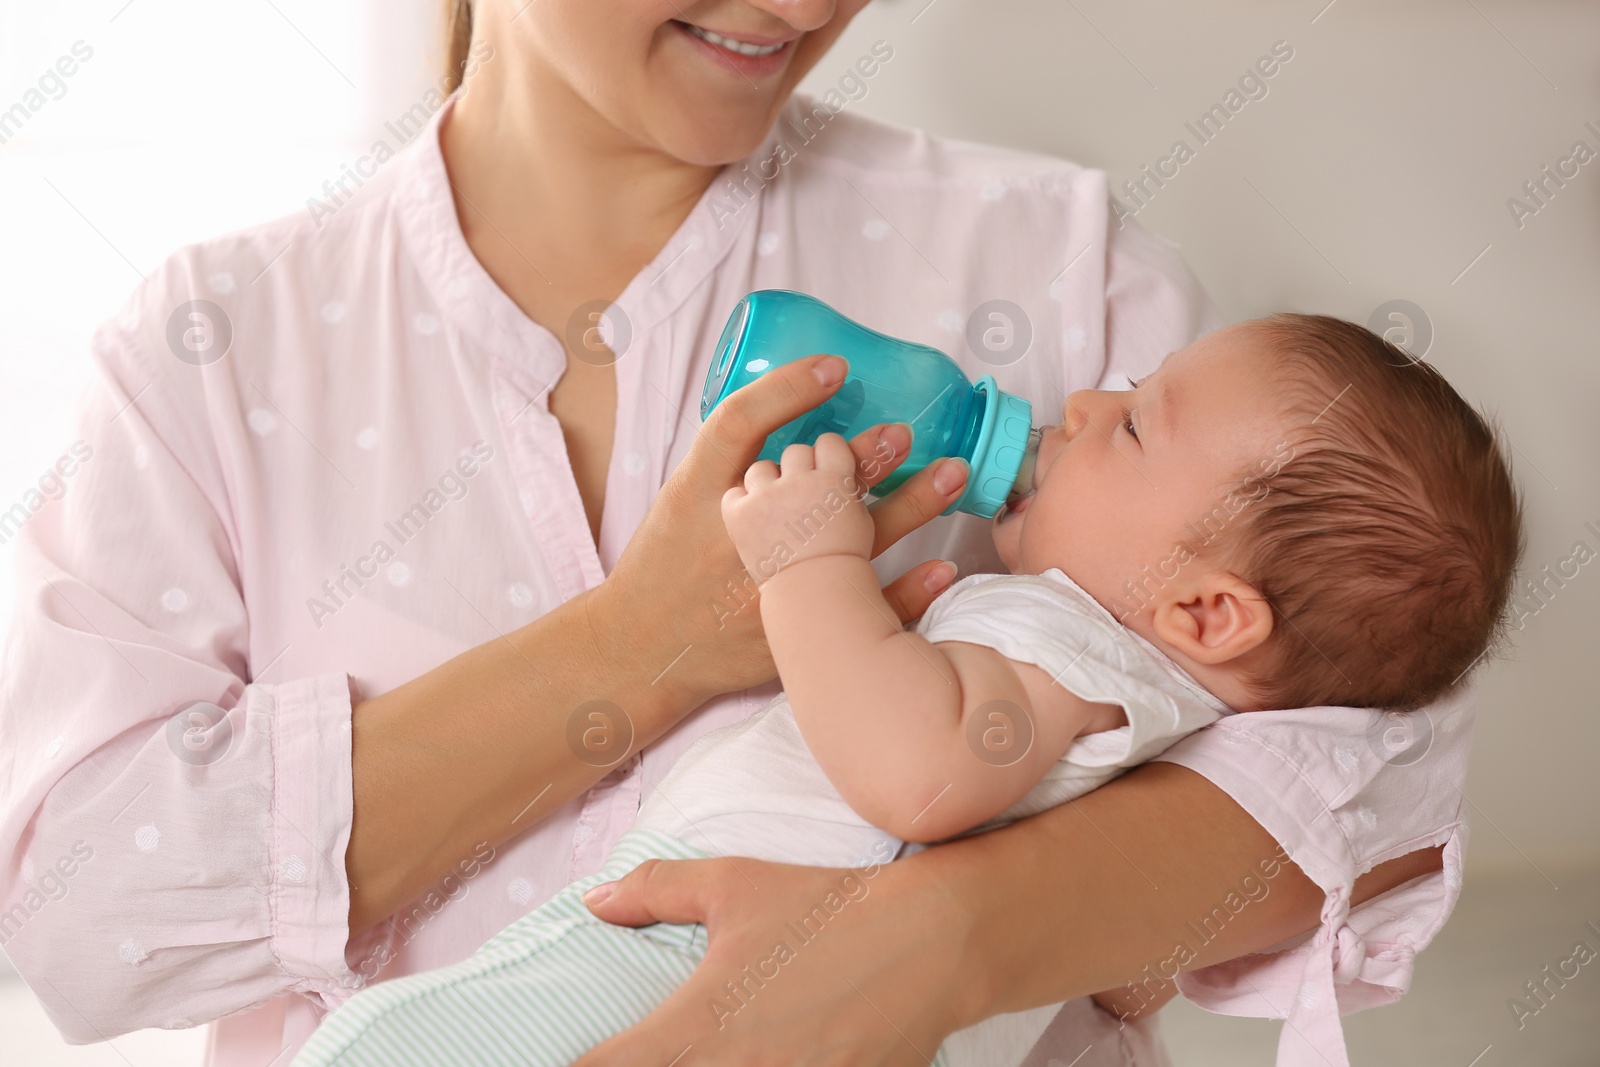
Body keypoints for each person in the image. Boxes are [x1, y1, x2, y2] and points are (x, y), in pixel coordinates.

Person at [0, 2, 1468, 1065]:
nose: (806, 4)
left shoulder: (1047, 257)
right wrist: (635, 650)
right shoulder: (213, 348)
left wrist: (926, 952)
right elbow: (77, 910)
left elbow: (1372, 785)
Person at [288, 315, 1522, 1066]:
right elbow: (1130, 973)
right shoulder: (1145, 717)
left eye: (1137, 426)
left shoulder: (1079, 649)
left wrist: (809, 561)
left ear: (1203, 610)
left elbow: (917, 772)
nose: (1084, 403)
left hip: (696, 972)